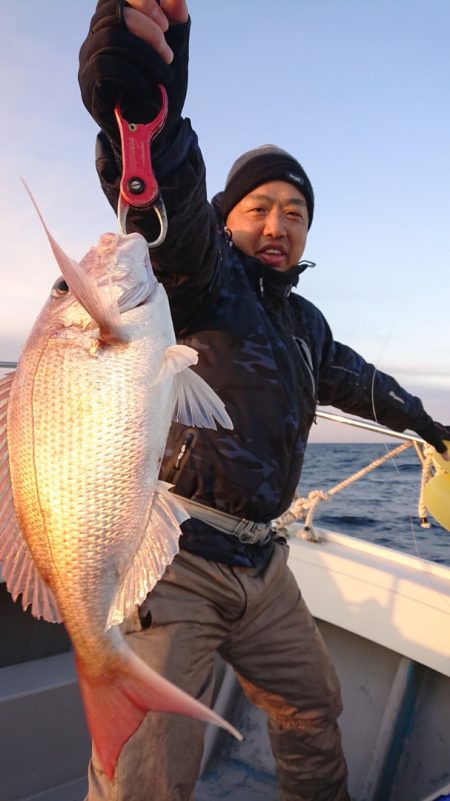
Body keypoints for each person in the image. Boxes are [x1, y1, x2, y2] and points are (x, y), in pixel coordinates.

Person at [78, 2, 450, 800]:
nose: (279, 226)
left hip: (266, 560)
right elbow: (164, 209)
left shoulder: (304, 323)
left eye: (296, 213)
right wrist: (149, 115)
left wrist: (427, 422)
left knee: (314, 707)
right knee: (144, 768)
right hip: (178, 561)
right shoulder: (200, 276)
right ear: (229, 219)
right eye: (260, 209)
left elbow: (361, 382)